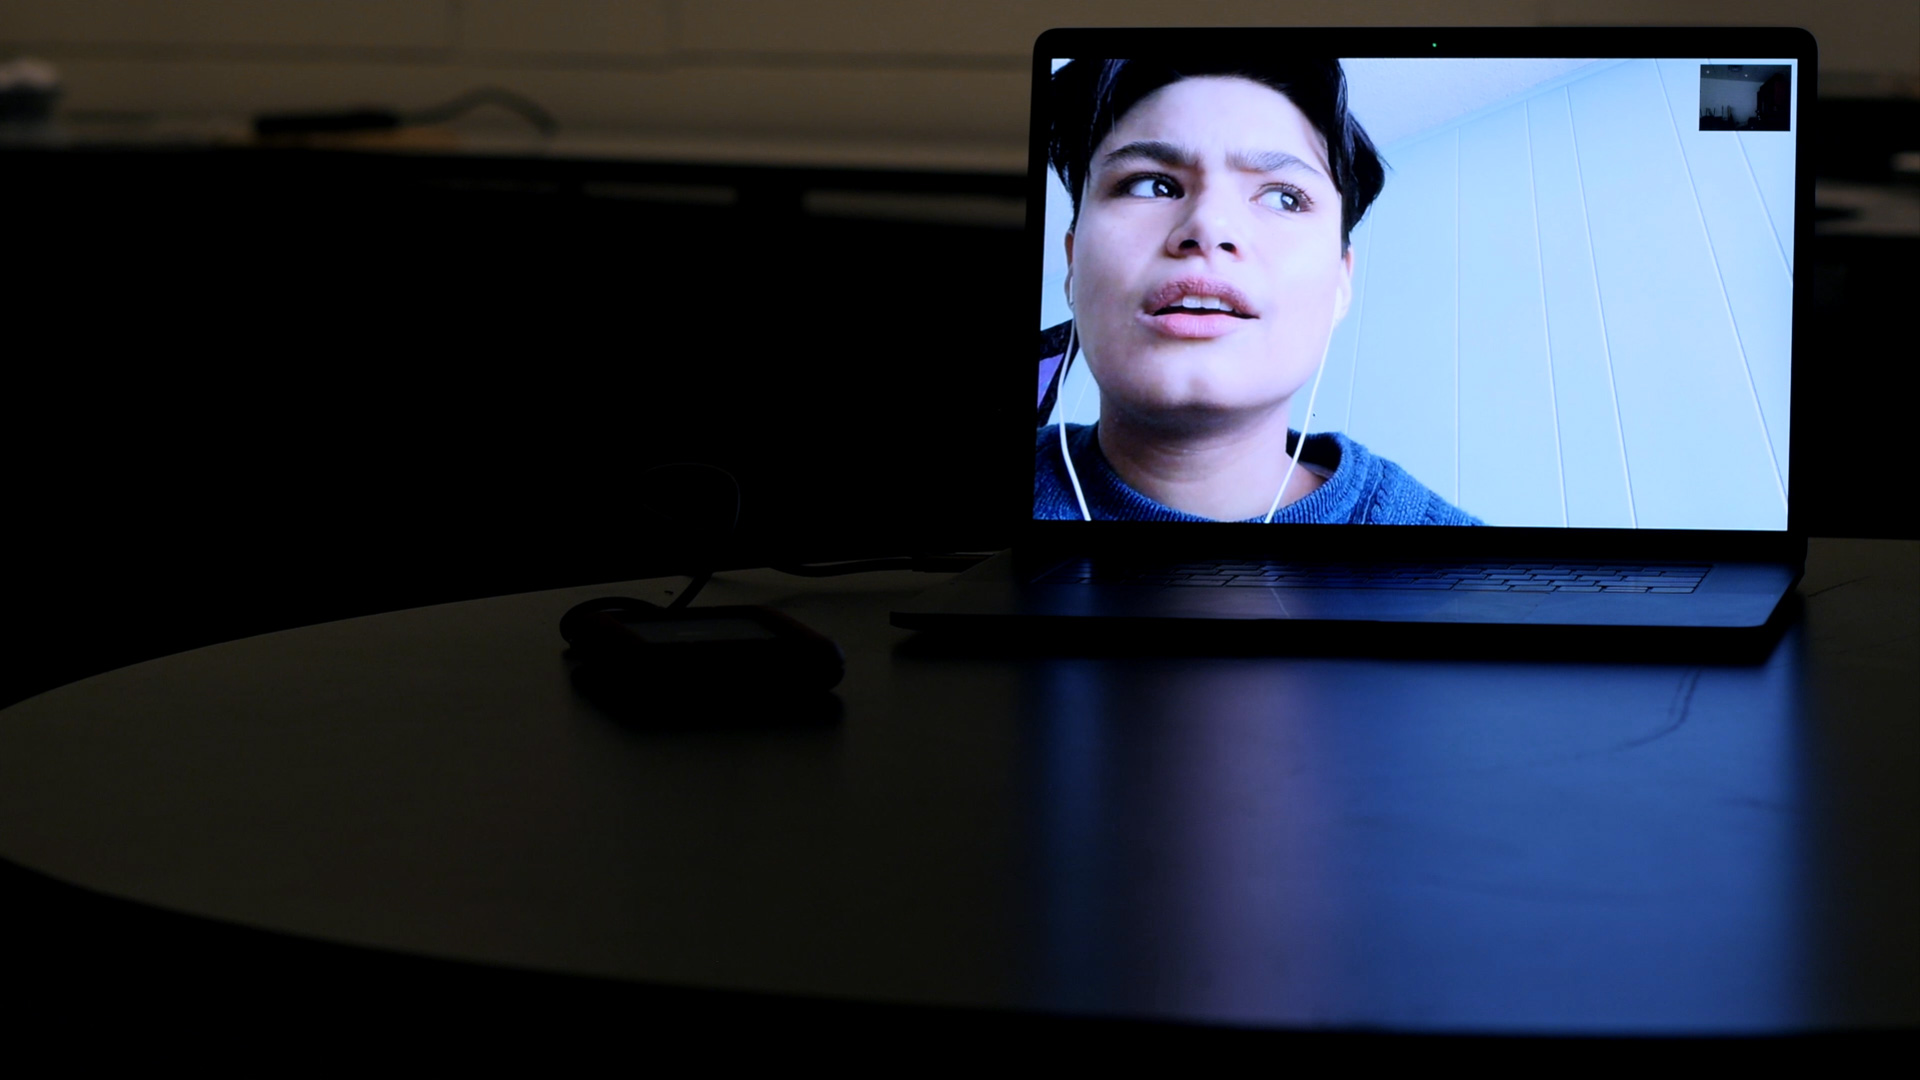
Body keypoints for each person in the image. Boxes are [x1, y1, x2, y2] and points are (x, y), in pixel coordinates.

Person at [1035, 58, 1481, 525]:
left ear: (1341, 282)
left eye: (1284, 198)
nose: (1208, 226)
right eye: (1151, 185)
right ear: (1071, 264)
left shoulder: (1470, 576)